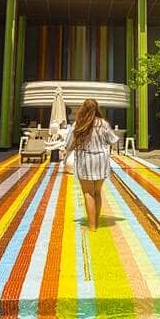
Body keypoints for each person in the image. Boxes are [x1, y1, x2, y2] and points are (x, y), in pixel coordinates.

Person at [62, 98, 119, 232]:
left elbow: (68, 145)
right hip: (101, 161)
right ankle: (96, 222)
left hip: (85, 161)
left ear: (83, 109)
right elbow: (113, 140)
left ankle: (92, 226)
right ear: (97, 109)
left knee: (88, 193)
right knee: (97, 192)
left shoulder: (78, 124)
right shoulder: (103, 123)